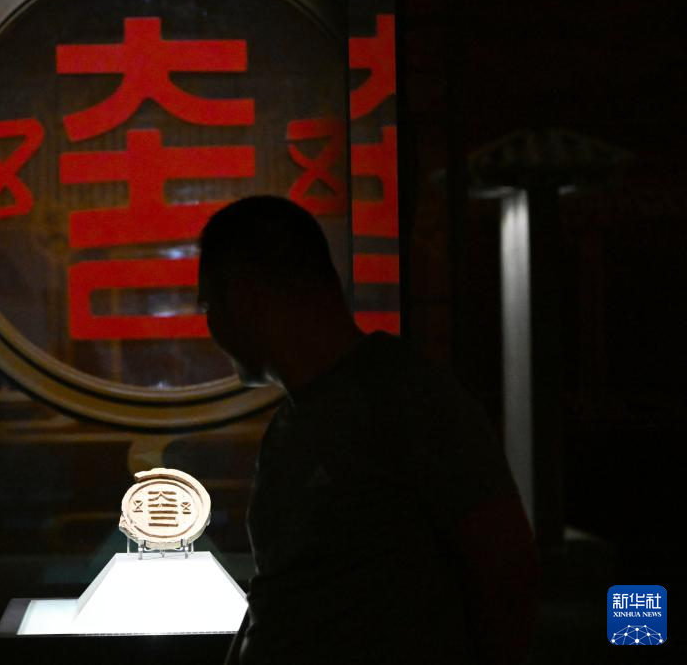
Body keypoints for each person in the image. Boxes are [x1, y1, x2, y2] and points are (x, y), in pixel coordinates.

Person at [197, 196, 540, 664]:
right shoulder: (293, 423)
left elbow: (508, 573)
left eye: (209, 305)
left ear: (245, 297)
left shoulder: (408, 394)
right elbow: (279, 592)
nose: (211, 325)